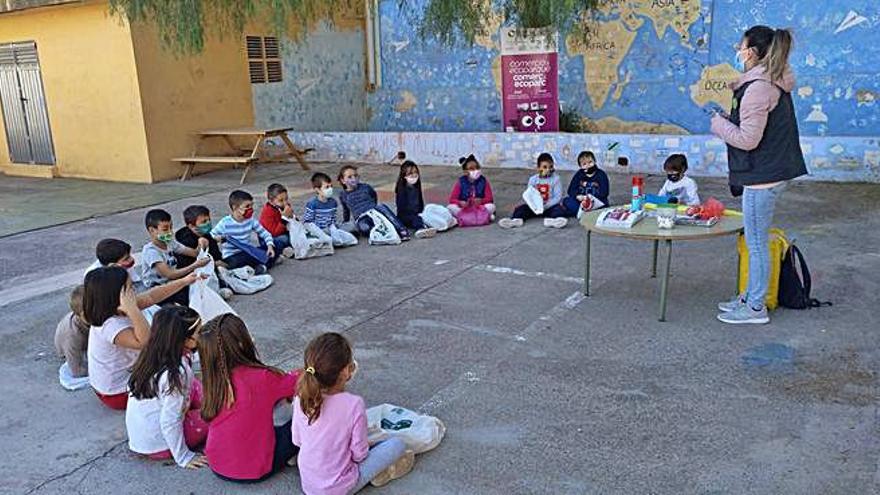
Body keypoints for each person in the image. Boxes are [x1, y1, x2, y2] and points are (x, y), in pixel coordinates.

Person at [710, 26, 807, 325]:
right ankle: (749, 296)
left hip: (762, 177)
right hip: (773, 171)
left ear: (751, 52)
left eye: (740, 47)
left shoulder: (759, 88)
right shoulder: (769, 81)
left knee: (756, 243)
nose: (738, 52)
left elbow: (748, 140)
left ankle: (755, 308)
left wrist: (719, 125)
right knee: (756, 240)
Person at [293, 333, 414, 495]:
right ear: (345, 372)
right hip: (338, 487)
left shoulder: (302, 396)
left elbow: (297, 440)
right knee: (397, 444)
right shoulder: (353, 404)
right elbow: (359, 455)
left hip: (308, 484)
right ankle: (376, 475)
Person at [198, 314, 300, 483]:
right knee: (304, 416)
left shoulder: (211, 380)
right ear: (240, 343)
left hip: (217, 464)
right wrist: (308, 369)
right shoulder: (263, 377)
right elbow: (299, 383)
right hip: (256, 469)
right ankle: (294, 453)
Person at [83, 266, 199, 410]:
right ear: (116, 296)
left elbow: (152, 296)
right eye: (130, 288)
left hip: (119, 382)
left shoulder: (117, 307)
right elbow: (146, 341)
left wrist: (184, 281)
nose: (134, 291)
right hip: (117, 394)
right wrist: (132, 309)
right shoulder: (110, 326)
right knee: (177, 351)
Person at [126, 306, 209, 469]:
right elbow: (170, 420)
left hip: (142, 437)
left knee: (197, 388)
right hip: (160, 444)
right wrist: (184, 457)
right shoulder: (177, 373)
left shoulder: (152, 353)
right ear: (185, 341)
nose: (203, 335)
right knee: (219, 411)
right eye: (199, 332)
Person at [141, 209, 209, 306]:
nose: (170, 232)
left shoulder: (170, 243)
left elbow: (194, 253)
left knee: (198, 288)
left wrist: (201, 243)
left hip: (172, 283)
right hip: (157, 289)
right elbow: (170, 274)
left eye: (171, 227)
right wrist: (195, 266)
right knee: (188, 299)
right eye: (165, 229)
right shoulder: (151, 252)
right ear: (152, 230)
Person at [211, 190, 280, 274]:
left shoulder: (250, 221)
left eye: (251, 206)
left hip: (248, 251)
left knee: (276, 245)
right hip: (232, 255)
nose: (251, 209)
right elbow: (210, 237)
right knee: (237, 261)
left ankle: (254, 268)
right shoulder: (225, 223)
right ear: (235, 207)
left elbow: (265, 233)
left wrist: (270, 246)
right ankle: (262, 266)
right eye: (247, 206)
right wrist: (216, 238)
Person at [175, 205, 233, 300]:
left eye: (209, 220)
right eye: (204, 222)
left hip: (210, 268)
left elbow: (217, 256)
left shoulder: (207, 235)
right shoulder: (184, 241)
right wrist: (202, 248)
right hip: (191, 273)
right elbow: (188, 265)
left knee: (231, 262)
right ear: (191, 226)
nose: (208, 223)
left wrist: (217, 262)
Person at [338, 165, 411, 240]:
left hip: (373, 210)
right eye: (349, 177)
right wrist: (345, 222)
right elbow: (346, 209)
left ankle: (401, 229)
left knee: (382, 207)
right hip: (361, 218)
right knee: (365, 228)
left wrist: (373, 207)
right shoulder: (343, 195)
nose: (354, 179)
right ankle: (384, 231)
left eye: (356, 176)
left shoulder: (365, 187)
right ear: (343, 180)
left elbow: (373, 196)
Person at [499, 152, 567, 229]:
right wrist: (535, 206)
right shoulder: (533, 179)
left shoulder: (556, 179)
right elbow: (530, 195)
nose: (548, 170)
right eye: (544, 167)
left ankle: (553, 221)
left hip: (549, 207)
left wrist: (545, 206)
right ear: (538, 168)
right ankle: (516, 220)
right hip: (535, 207)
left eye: (550, 167)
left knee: (559, 210)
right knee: (520, 209)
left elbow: (557, 197)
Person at [447, 154, 496, 225]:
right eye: (471, 169)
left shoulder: (483, 181)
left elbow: (490, 198)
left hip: (479, 208)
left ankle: (463, 219)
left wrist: (481, 201)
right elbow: (452, 199)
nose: (475, 170)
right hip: (465, 209)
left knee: (491, 206)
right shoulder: (460, 182)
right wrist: (460, 203)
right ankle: (484, 218)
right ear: (465, 171)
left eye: (477, 167)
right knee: (450, 207)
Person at [54, 286, 89, 383]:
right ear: (81, 314)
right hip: (69, 351)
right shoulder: (72, 335)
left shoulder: (87, 318)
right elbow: (77, 371)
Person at [394, 161, 437, 239]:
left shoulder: (416, 187)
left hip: (417, 213)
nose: (413, 175)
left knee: (429, 211)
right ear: (404, 175)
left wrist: (421, 212)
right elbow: (401, 207)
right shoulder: (402, 189)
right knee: (416, 219)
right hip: (405, 216)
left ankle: (426, 225)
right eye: (410, 173)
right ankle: (420, 228)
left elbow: (420, 202)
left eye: (415, 172)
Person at [561, 150, 610, 216]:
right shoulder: (579, 174)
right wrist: (577, 196)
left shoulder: (601, 174)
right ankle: (586, 213)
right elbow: (571, 190)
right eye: (584, 164)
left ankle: (582, 213)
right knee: (566, 201)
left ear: (595, 161)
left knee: (604, 206)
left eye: (590, 162)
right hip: (582, 202)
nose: (588, 166)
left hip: (597, 202)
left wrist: (591, 198)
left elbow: (604, 192)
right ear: (580, 166)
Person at [258, 183, 296, 257]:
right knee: (284, 239)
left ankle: (287, 248)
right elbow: (275, 233)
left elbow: (294, 223)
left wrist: (292, 216)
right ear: (271, 201)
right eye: (281, 200)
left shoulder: (285, 206)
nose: (285, 203)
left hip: (282, 232)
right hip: (269, 239)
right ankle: (282, 250)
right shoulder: (268, 212)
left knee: (296, 235)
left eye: (286, 199)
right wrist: (284, 218)